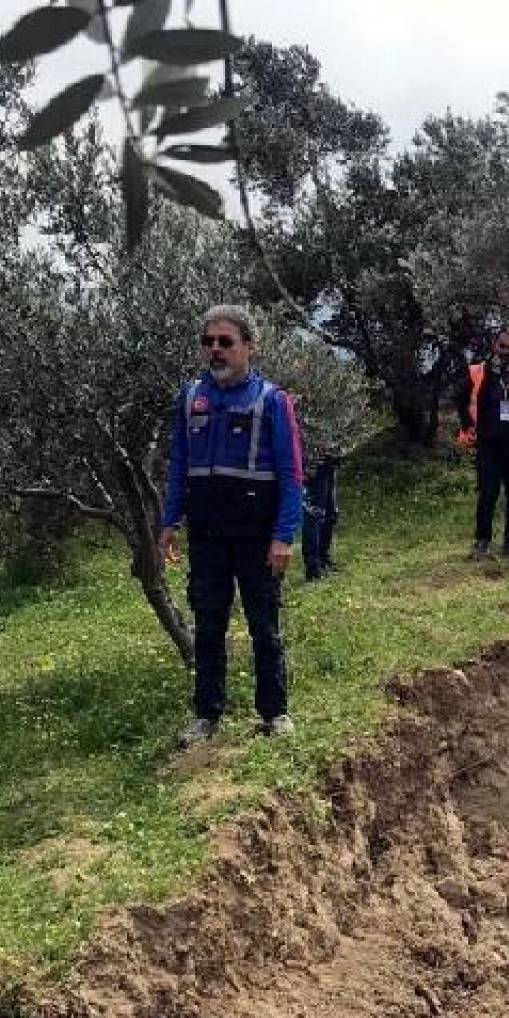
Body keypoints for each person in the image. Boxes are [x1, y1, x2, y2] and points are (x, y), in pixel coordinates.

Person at [159, 304, 304, 746]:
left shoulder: (271, 401)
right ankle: (206, 716)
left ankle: (274, 713)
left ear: (249, 347)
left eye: (226, 342)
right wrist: (169, 521)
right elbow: (178, 463)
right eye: (209, 342)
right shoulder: (190, 398)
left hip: (256, 530)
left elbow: (292, 474)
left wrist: (283, 536)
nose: (216, 350)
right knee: (208, 624)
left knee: (264, 623)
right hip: (207, 531)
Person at [456, 326, 509, 561]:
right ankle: (482, 541)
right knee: (488, 494)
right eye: (502, 346)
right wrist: (467, 428)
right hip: (489, 444)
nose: (506, 351)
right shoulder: (478, 371)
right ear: (494, 346)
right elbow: (461, 400)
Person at [302, 451, 340, 581]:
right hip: (314, 464)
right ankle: (313, 568)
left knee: (330, 513)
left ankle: (323, 559)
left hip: (329, 462)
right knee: (314, 515)